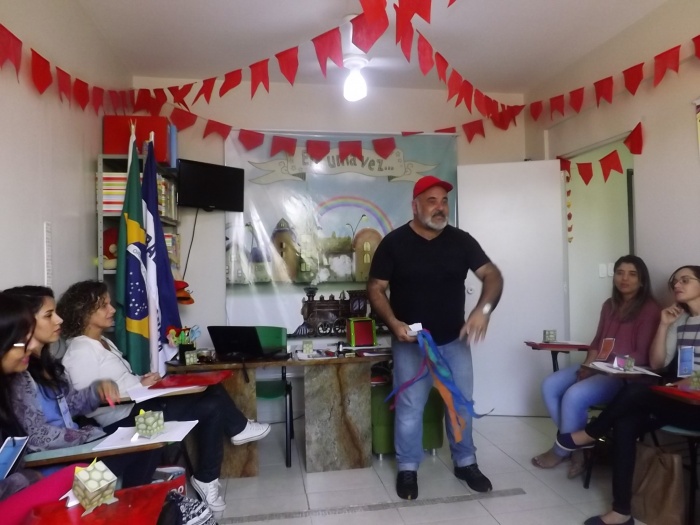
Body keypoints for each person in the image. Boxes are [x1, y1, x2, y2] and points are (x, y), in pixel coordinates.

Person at [56, 280, 271, 513]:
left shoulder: (102, 342)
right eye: (104, 306)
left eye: (110, 303)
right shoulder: (80, 351)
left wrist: (141, 381)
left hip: (140, 404)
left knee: (211, 397)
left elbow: (118, 381)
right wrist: (135, 389)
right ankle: (231, 438)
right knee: (212, 398)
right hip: (124, 417)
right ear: (84, 313)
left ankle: (211, 472)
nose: (113, 310)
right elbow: (89, 401)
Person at [367, 175, 504, 500]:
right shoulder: (394, 243)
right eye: (432, 201)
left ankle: (465, 462)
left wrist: (483, 310)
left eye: (444, 201)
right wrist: (393, 323)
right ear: (415, 206)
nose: (440, 207)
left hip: (454, 342)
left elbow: (492, 275)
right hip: (410, 344)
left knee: (460, 405)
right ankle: (408, 468)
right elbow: (375, 288)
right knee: (410, 408)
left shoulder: (461, 241)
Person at [556, 265, 700, 525]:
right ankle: (621, 512)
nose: (677, 285)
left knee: (634, 391)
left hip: (695, 406)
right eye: (674, 281)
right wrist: (664, 325)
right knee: (625, 423)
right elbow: (657, 363)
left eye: (685, 280)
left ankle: (593, 431)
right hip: (679, 399)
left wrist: (688, 382)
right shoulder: (680, 320)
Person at [1, 288, 160, 488]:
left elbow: (69, 405)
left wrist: (96, 391)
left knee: (150, 432)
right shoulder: (20, 378)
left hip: (76, 451)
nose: (59, 320)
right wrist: (87, 436)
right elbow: (37, 439)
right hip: (60, 461)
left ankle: (136, 498)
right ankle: (132, 498)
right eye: (49, 315)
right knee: (145, 438)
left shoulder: (48, 367)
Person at [532, 255, 660, 478]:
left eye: (632, 274)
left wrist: (606, 367)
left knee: (574, 395)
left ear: (642, 281)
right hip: (600, 366)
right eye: (620, 273)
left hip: (625, 376)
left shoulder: (650, 309)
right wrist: (587, 366)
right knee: (549, 385)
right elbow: (597, 342)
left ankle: (561, 450)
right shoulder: (609, 305)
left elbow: (641, 355)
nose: (624, 278)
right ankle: (579, 448)